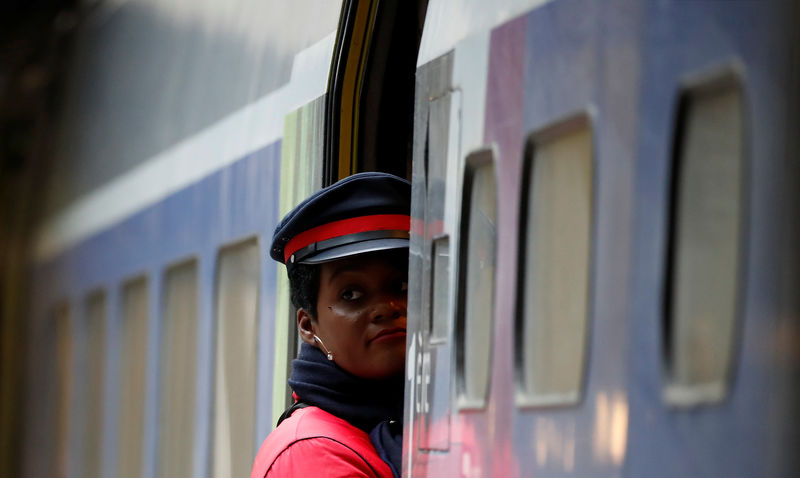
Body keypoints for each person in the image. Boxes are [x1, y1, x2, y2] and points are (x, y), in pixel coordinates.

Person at [250, 172, 410, 478]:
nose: (386, 308)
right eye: (351, 294)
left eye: (401, 286)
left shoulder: (401, 424)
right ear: (308, 326)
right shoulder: (312, 452)